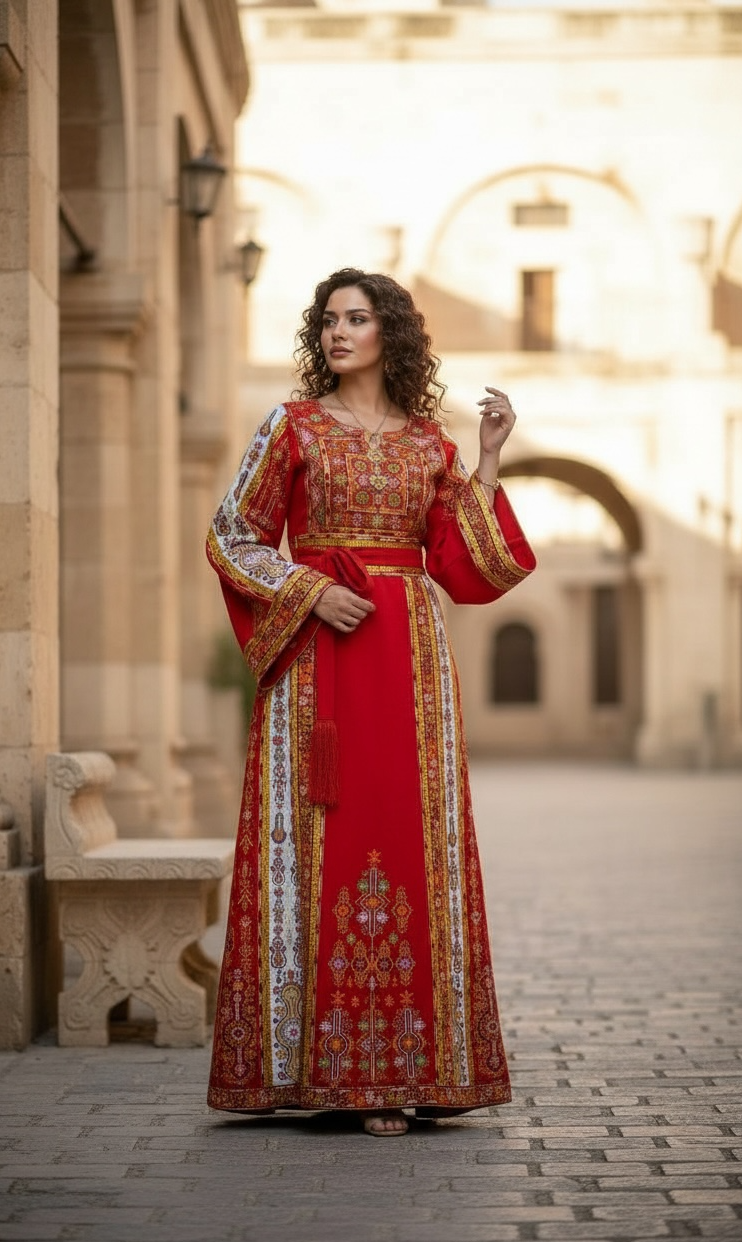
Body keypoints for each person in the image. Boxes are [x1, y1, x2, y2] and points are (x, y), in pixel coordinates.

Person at [206, 268, 535, 1137]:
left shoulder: (430, 443)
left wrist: (489, 455)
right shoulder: (292, 426)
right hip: (317, 664)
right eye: (327, 320)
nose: (337, 332)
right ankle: (302, 1069)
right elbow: (231, 533)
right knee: (321, 831)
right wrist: (309, 591)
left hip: (410, 666)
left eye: (357, 317)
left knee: (409, 833)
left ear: (392, 330)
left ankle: (408, 1070)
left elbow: (469, 566)